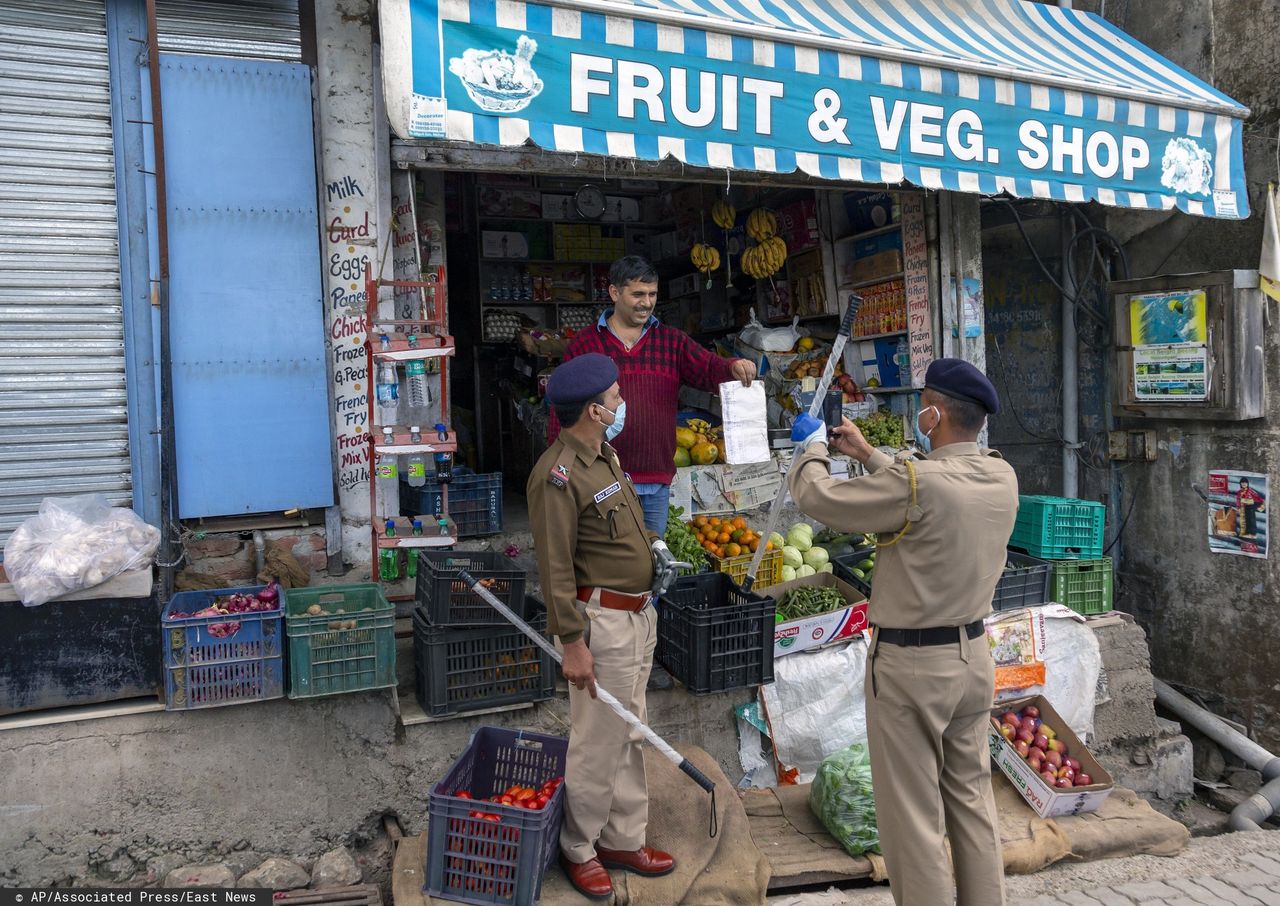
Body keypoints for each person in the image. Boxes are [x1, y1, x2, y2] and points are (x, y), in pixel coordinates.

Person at [787, 358, 1018, 906]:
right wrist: (869, 455)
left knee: (912, 818)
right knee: (971, 802)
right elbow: (928, 487)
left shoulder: (919, 483)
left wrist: (811, 449)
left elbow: (820, 500)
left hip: (913, 669)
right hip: (972, 660)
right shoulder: (1000, 474)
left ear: (934, 414)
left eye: (923, 405)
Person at [527, 353, 689, 901]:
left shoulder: (606, 455)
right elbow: (554, 567)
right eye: (616, 398)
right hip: (602, 622)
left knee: (631, 731)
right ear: (595, 410)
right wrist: (572, 642)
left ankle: (622, 837)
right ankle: (579, 845)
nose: (623, 404)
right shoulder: (557, 475)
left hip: (638, 615)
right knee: (598, 740)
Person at [552, 255, 756, 537]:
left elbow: (707, 368)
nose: (646, 302)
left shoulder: (671, 341)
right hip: (600, 481)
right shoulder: (586, 344)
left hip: (655, 480)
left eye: (652, 294)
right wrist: (560, 471)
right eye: (637, 294)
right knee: (608, 566)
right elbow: (562, 410)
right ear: (614, 292)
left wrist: (732, 366)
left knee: (650, 565)